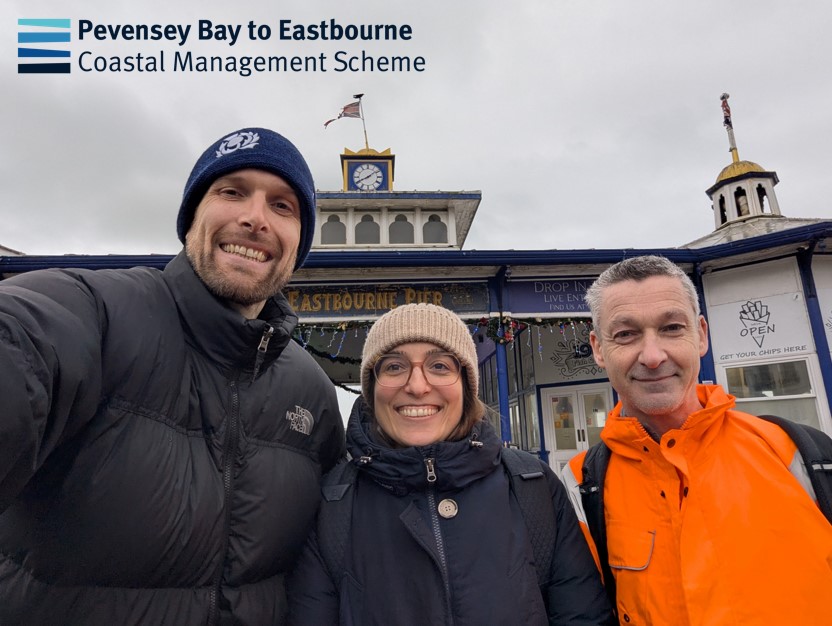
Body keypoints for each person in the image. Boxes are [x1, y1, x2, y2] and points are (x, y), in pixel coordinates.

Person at [0, 128, 345, 624]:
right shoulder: (98, 314)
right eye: (232, 191)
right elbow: (22, 347)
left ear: (299, 244)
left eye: (283, 206)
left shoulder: (312, 393)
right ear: (190, 220)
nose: (255, 218)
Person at [289, 303, 615, 625]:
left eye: (440, 366)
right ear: (372, 390)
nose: (417, 386)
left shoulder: (533, 486)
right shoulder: (333, 503)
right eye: (393, 367)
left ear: (466, 387)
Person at [564, 255, 832, 625]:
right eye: (625, 334)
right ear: (598, 349)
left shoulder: (798, 453)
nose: (654, 356)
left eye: (672, 328)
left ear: (701, 334)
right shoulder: (579, 487)